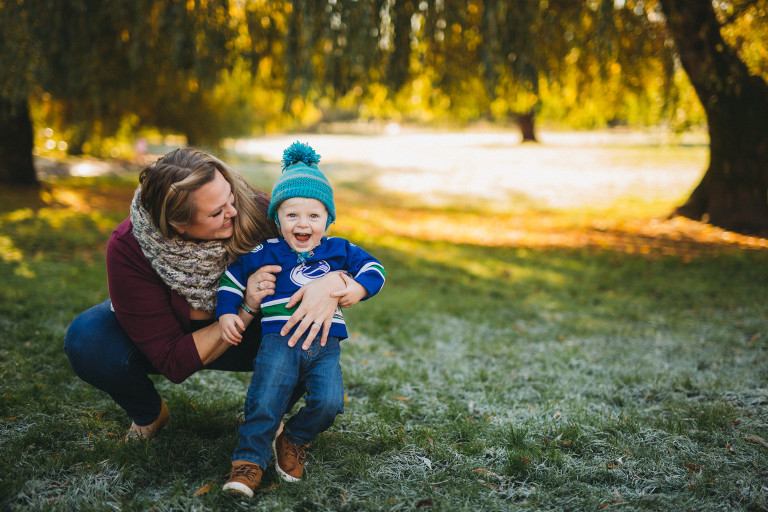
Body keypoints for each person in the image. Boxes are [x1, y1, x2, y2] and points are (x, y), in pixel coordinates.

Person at [64, 147, 365, 441]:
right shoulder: (130, 246)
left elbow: (326, 251)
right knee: (88, 339)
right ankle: (149, 414)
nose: (232, 211)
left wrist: (332, 284)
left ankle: (270, 413)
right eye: (217, 212)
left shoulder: (258, 212)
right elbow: (172, 361)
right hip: (180, 337)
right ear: (178, 227)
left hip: (260, 336)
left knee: (307, 327)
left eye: (229, 197)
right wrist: (246, 305)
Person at [216, 142, 386, 498]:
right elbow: (232, 279)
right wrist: (227, 312)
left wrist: (357, 286)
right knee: (265, 399)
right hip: (280, 340)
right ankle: (247, 464)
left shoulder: (339, 249)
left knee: (329, 403)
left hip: (325, 343)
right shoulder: (268, 250)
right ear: (278, 220)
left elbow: (374, 268)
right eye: (291, 215)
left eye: (313, 215)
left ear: (328, 219)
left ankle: (293, 438)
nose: (303, 224)